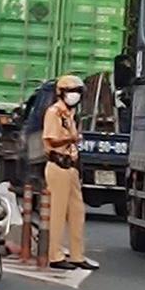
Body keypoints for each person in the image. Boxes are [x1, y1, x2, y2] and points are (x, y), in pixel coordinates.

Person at [42, 74, 98, 270]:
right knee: (58, 213)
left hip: (71, 167)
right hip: (58, 165)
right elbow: (50, 140)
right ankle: (55, 256)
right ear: (61, 93)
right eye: (71, 92)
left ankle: (77, 255)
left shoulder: (70, 114)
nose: (75, 96)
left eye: (77, 92)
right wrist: (72, 139)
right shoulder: (54, 112)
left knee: (77, 212)